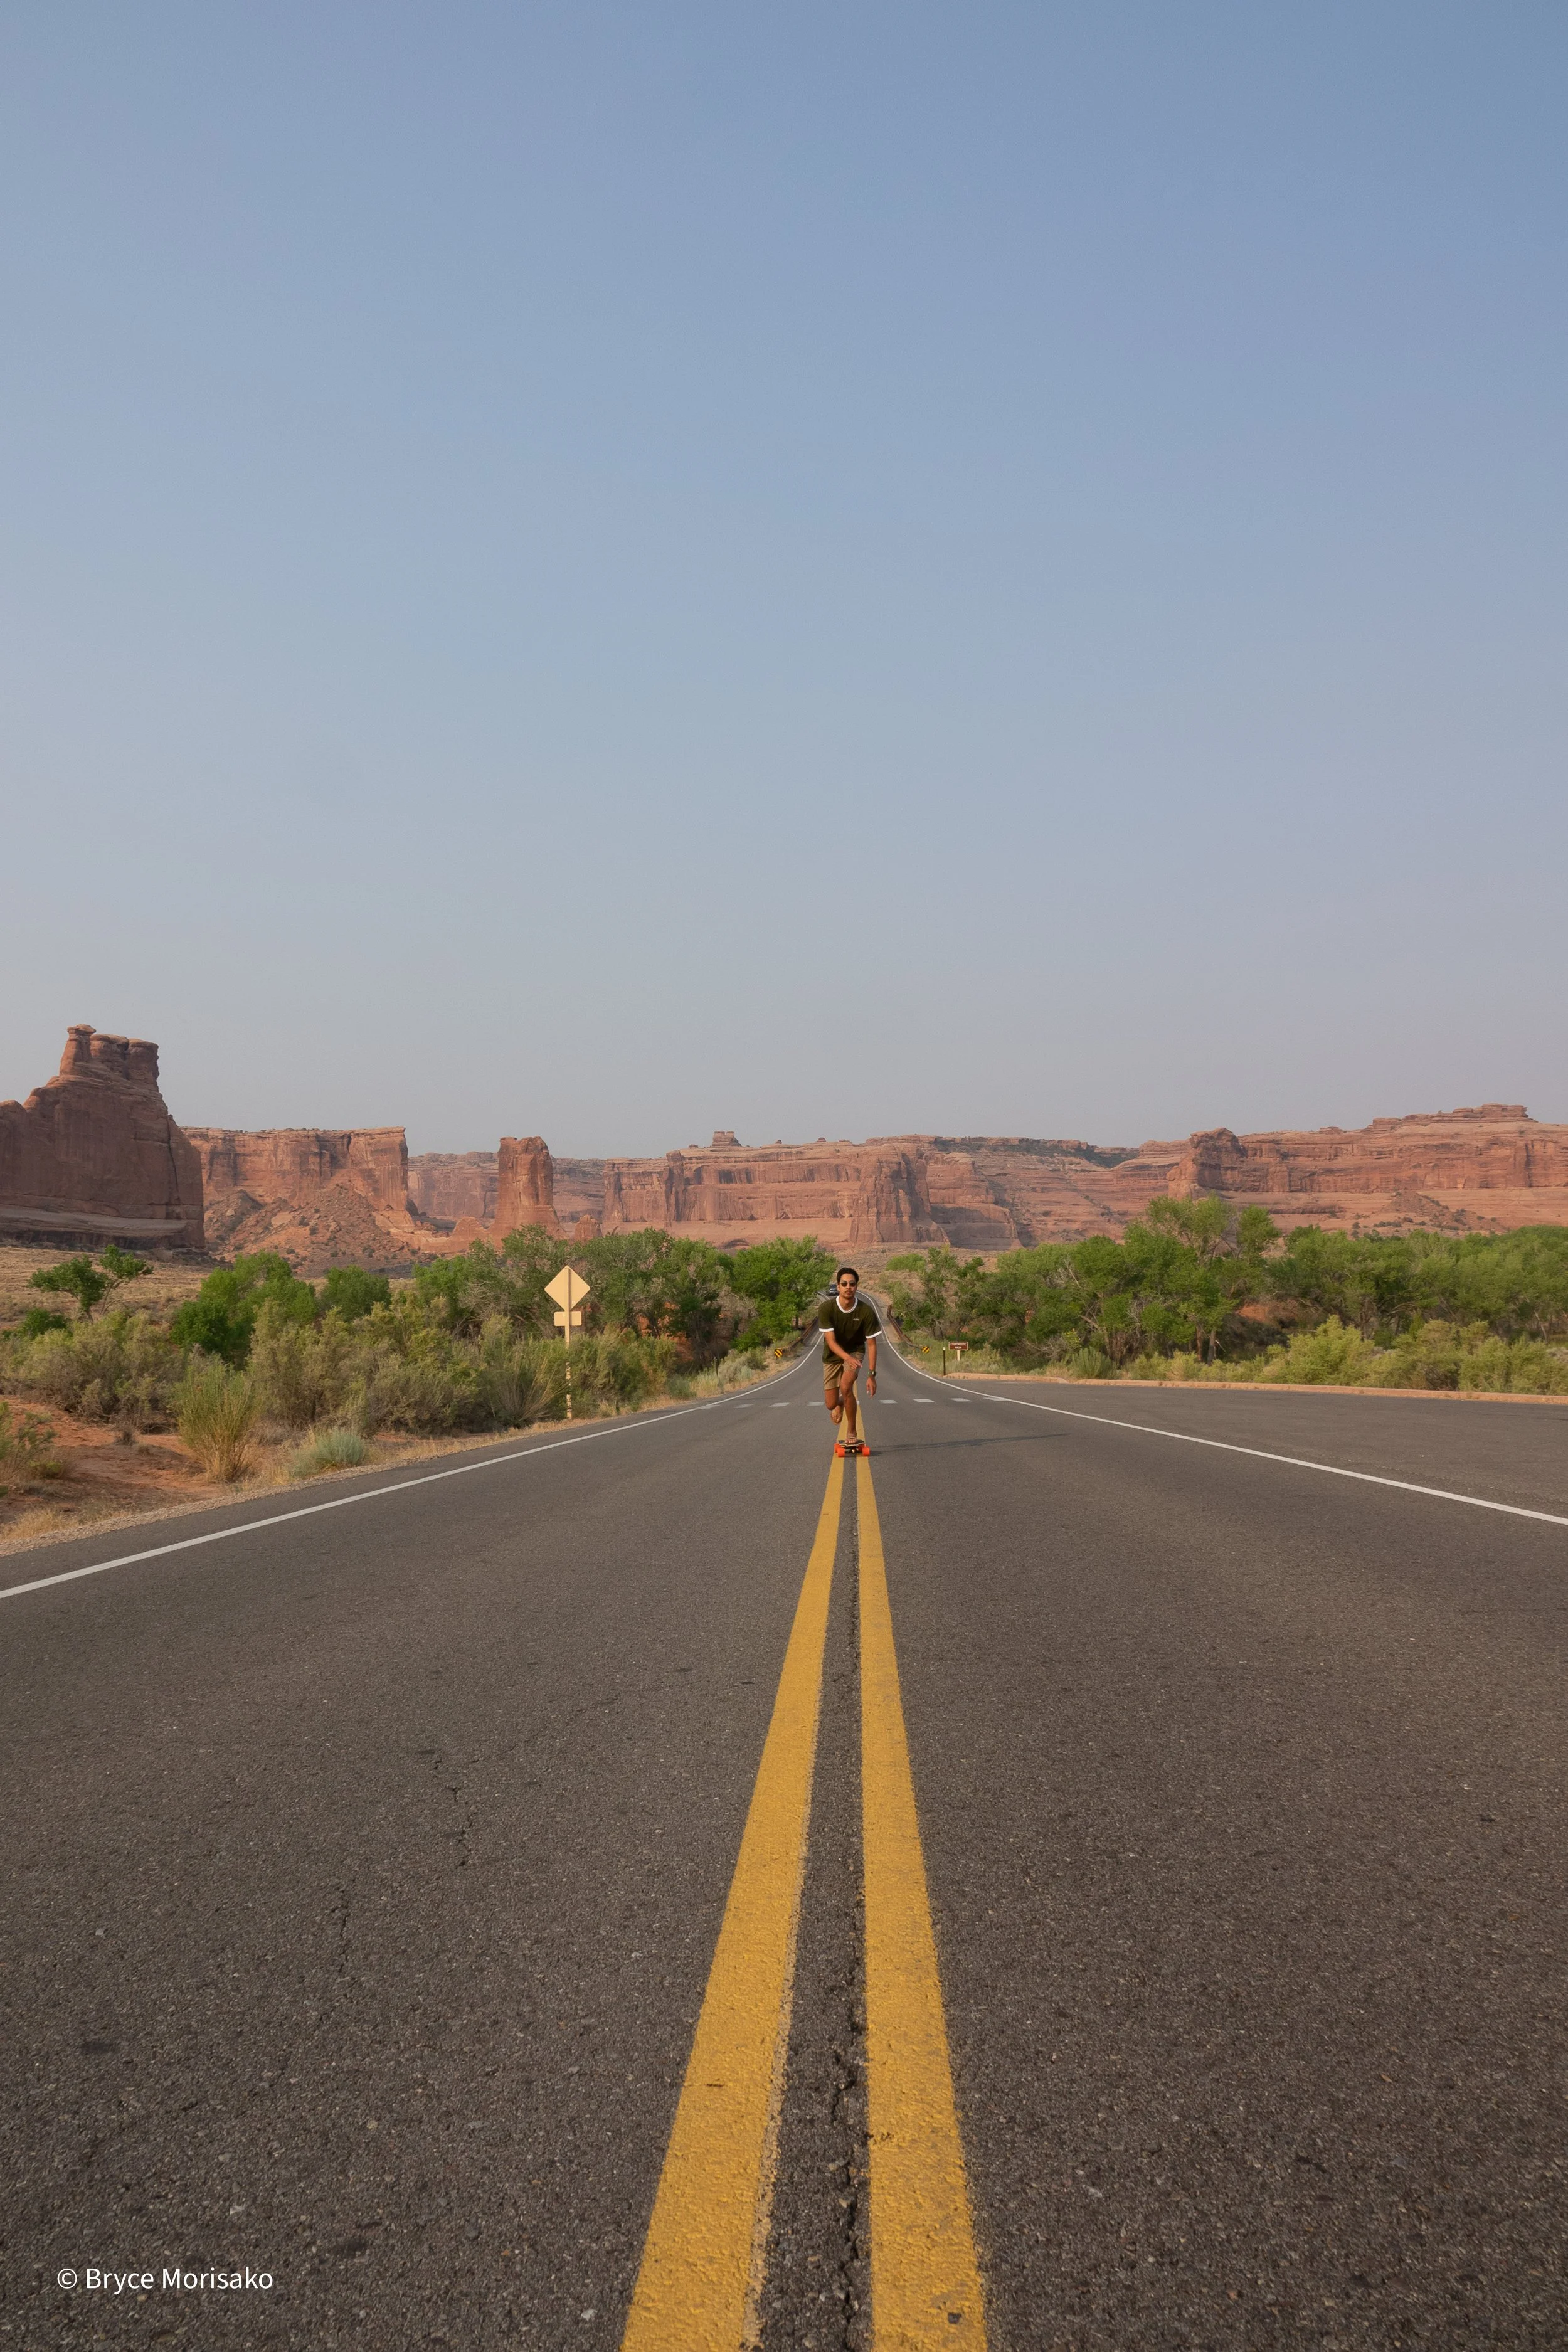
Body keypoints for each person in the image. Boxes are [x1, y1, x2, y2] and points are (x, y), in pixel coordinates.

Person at [820, 1264, 880, 1453]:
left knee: (847, 1387)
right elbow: (831, 1342)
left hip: (855, 1352)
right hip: (832, 1355)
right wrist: (846, 1357)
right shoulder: (827, 1308)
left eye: (852, 1284)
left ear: (856, 1286)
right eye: (844, 1284)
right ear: (838, 1286)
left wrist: (871, 1375)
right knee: (830, 1404)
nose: (848, 1287)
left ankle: (851, 1431)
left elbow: (872, 1344)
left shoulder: (866, 1311)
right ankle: (840, 1403)